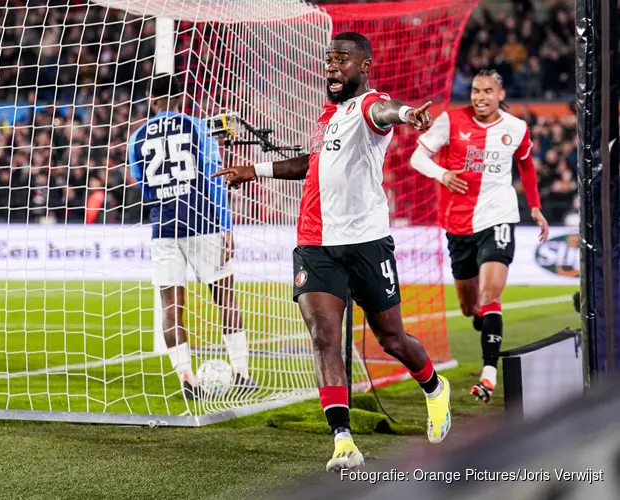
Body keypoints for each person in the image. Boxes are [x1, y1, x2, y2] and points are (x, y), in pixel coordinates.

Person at [213, 32, 452, 473]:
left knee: (392, 338)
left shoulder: (369, 105)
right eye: (329, 59)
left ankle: (435, 388)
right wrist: (255, 170)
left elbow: (386, 110)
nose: (332, 66)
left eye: (343, 59)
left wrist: (406, 113)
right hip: (314, 242)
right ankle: (343, 441)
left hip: (366, 241)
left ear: (364, 66)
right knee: (324, 337)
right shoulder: (328, 114)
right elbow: (312, 162)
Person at [410, 69, 549, 403]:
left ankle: (489, 374)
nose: (480, 97)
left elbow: (526, 165)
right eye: (475, 90)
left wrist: (535, 207)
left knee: (490, 293)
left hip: (498, 216)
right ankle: (485, 323)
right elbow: (417, 157)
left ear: (501, 95)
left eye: (488, 91)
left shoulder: (516, 128)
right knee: (470, 307)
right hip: (457, 224)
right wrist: (442, 174)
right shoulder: (450, 122)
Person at [128, 73, 257, 400]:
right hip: (204, 223)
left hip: (164, 230)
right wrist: (227, 226)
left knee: (171, 306)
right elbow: (216, 179)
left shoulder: (138, 137)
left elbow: (142, 185)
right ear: (180, 97)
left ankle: (187, 379)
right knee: (225, 297)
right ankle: (241, 373)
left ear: (151, 98)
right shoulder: (197, 126)